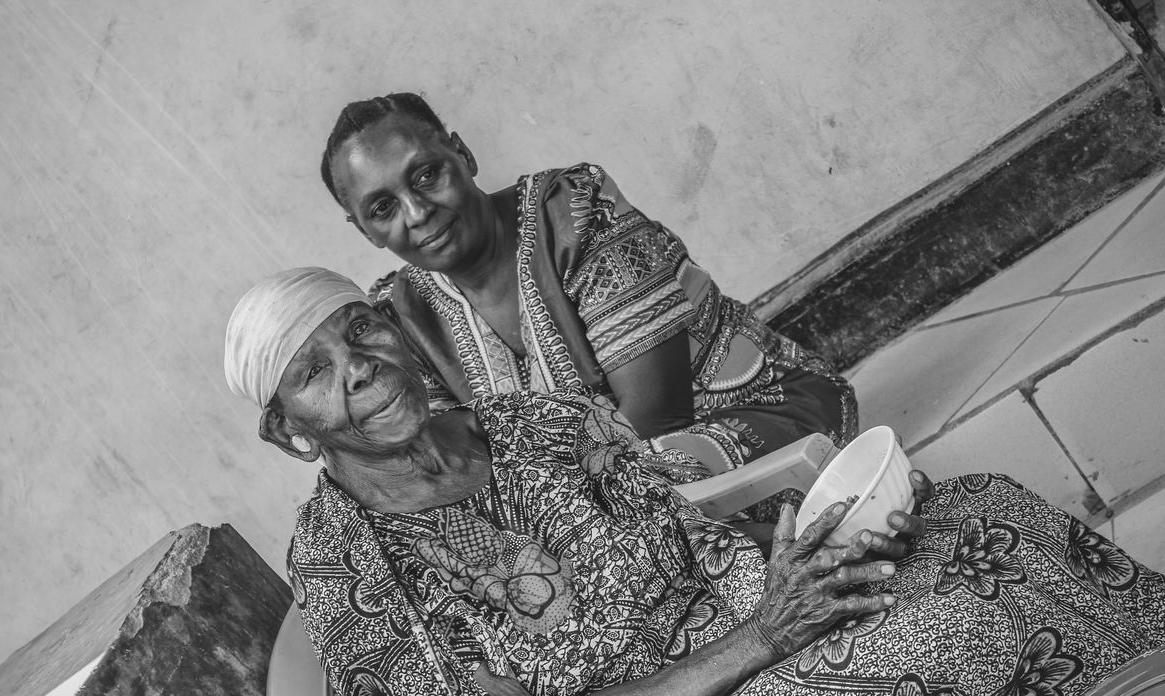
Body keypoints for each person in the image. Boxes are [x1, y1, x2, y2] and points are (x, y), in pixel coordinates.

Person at [225, 267, 1165, 696]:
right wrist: (766, 633)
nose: (361, 368)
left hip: (735, 631)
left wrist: (801, 550)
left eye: (362, 330)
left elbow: (687, 541)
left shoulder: (534, 423)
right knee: (955, 626)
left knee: (976, 510)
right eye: (313, 374)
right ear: (288, 434)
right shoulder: (359, 581)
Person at [319, 92, 858, 487]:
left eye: (426, 176)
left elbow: (657, 415)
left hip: (758, 417)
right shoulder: (404, 316)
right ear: (364, 230)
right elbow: (455, 458)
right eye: (382, 209)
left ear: (463, 155)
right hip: (600, 493)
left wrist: (551, 518)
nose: (416, 214)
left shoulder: (575, 210)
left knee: (649, 492)